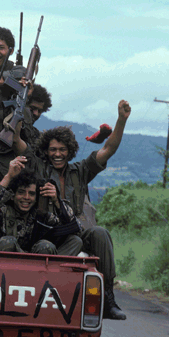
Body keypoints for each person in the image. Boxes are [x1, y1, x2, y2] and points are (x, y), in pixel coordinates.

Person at [38, 99, 131, 320]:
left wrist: (121, 120)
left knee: (100, 233)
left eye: (62, 150)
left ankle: (107, 298)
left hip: (77, 232)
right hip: (50, 234)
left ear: (70, 151)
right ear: (46, 151)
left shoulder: (80, 171)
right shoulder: (38, 169)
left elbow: (108, 148)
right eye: (53, 150)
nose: (57, 154)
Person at [0, 156, 82, 256]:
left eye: (31, 194)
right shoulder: (4, 212)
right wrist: (8, 176)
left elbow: (75, 227)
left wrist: (57, 201)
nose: (26, 197)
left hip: (37, 264)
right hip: (7, 264)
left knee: (46, 245)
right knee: (8, 242)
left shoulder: (40, 216)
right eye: (21, 192)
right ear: (12, 196)